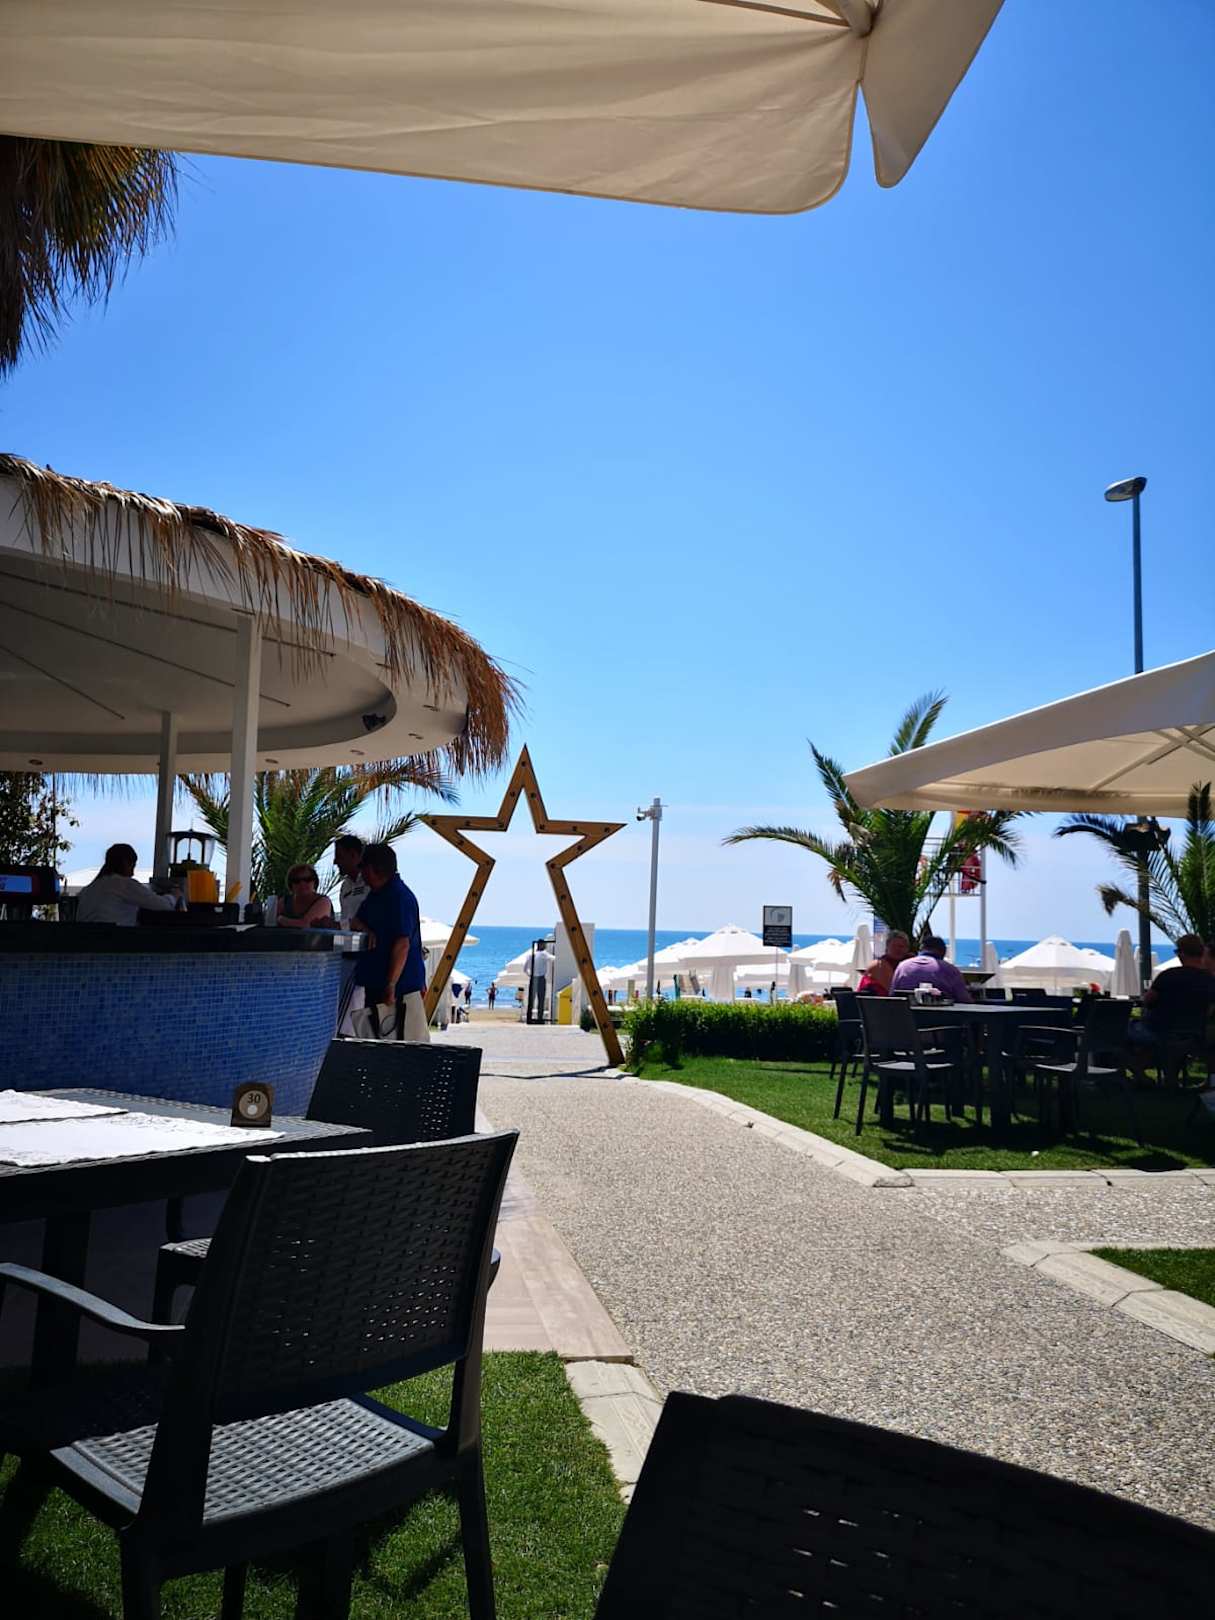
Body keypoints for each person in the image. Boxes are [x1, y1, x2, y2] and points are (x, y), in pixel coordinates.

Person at [351, 842, 427, 1041]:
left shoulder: (399, 897)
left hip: (399, 988)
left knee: (403, 1045)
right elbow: (356, 920)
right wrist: (366, 929)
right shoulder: (376, 895)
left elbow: (402, 944)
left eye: (363, 867)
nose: (361, 874)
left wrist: (391, 984)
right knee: (377, 1043)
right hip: (377, 983)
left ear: (371, 869)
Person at [1129, 934, 1215, 1071]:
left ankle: (1130, 1069)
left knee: (1118, 1029)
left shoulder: (1168, 976)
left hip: (1159, 1031)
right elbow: (1209, 1010)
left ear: (1182, 953)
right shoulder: (1210, 980)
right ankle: (1144, 1068)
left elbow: (1148, 1000)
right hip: (1193, 1035)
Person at [76, 844, 178, 926]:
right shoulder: (123, 884)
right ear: (125, 863)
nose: (133, 873)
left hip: (85, 941)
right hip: (114, 941)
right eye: (132, 866)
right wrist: (174, 896)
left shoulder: (88, 890)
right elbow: (163, 905)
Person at [890, 935, 972, 1002]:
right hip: (941, 1016)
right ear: (943, 952)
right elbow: (964, 1000)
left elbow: (892, 995)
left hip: (906, 1015)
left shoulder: (902, 967)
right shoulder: (951, 970)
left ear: (921, 949)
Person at [275, 864, 335, 929]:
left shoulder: (323, 901)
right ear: (290, 884)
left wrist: (281, 920)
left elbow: (307, 925)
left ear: (314, 882)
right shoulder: (284, 901)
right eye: (296, 880)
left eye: (307, 879)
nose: (302, 883)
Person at [857, 930, 912, 996]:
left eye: (901, 946)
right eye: (894, 946)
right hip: (874, 1001)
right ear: (887, 946)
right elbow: (893, 991)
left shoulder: (908, 963)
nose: (897, 949)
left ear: (907, 948)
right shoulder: (879, 965)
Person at [333, 834, 369, 927]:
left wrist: (335, 925)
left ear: (353, 855)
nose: (335, 862)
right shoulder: (345, 886)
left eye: (339, 856)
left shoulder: (370, 883)